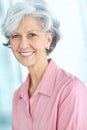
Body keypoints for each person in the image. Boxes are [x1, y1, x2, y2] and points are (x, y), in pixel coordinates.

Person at [2, 0, 87, 129]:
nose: (23, 44)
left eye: (32, 35)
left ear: (48, 39)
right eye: (15, 36)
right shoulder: (18, 97)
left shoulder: (70, 91)